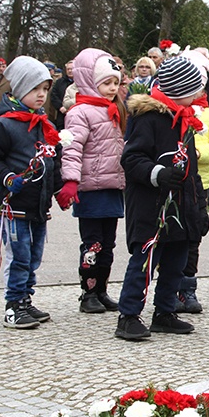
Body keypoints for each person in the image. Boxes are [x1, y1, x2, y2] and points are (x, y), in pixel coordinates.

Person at [114, 56, 207, 341]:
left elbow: (190, 166)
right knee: (145, 261)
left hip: (181, 206)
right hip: (151, 206)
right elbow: (131, 159)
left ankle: (165, 311)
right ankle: (128, 314)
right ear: (180, 91)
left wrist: (198, 205)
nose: (200, 96)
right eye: (196, 90)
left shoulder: (184, 121)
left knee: (176, 262)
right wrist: (158, 173)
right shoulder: (148, 119)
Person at [0, 56, 62, 329]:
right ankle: (13, 305)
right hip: (14, 204)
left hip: (38, 204)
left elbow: (52, 159)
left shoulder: (43, 123)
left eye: (45, 89)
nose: (41, 95)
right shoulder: (5, 125)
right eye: (35, 89)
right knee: (19, 254)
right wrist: (7, 177)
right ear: (18, 90)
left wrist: (61, 187)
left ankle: (26, 298)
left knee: (35, 254)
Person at [57, 49, 127, 314]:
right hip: (90, 188)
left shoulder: (114, 110)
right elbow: (72, 148)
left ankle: (101, 289)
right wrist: (71, 180)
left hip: (111, 186)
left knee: (108, 244)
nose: (112, 89)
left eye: (115, 83)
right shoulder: (80, 112)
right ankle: (88, 291)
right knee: (92, 244)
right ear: (90, 81)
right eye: (106, 83)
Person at [177, 48, 209, 314]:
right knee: (173, 235)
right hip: (175, 182)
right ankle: (170, 287)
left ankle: (188, 288)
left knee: (194, 235)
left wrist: (198, 154)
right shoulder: (172, 112)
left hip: (201, 183)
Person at [49, 61, 74, 129]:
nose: (70, 71)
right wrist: (60, 107)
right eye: (68, 69)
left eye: (71, 69)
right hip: (61, 116)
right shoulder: (59, 82)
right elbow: (54, 96)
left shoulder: (81, 82)